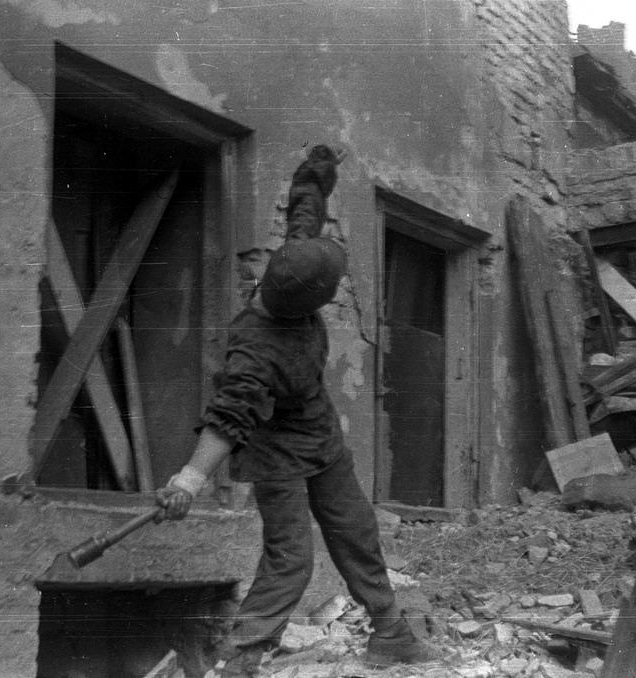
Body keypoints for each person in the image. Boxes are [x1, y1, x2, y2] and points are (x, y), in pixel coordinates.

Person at [155, 145, 435, 677]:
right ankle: (240, 659)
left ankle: (390, 634)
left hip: (320, 434)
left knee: (356, 529)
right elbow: (228, 417)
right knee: (292, 560)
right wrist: (189, 479)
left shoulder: (291, 263)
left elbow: (305, 208)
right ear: (306, 305)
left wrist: (318, 169)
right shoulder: (254, 351)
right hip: (275, 453)